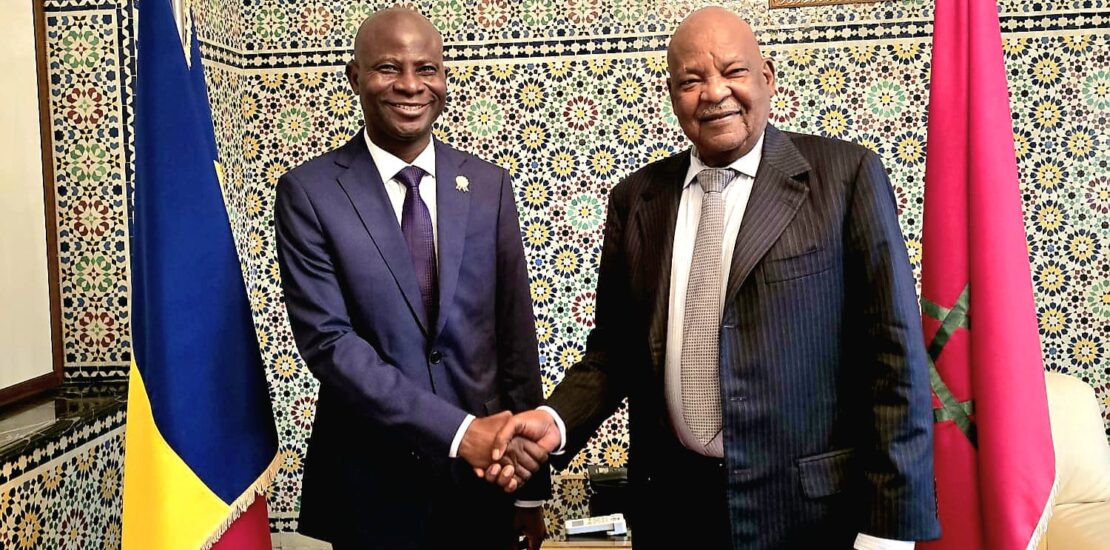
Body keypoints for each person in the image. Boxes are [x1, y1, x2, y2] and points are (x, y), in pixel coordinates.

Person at [489, 7, 940, 549]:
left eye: (733, 71)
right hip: (675, 514)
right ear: (672, 95)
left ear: (767, 77)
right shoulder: (637, 200)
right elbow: (615, 351)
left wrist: (888, 533)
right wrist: (556, 420)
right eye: (691, 80)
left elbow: (894, 360)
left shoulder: (845, 178)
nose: (714, 92)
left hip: (811, 518)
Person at [274, 8, 549, 549]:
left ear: (443, 78)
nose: (409, 85)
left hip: (484, 488)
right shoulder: (310, 193)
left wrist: (530, 491)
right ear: (355, 77)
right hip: (371, 490)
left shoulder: (488, 185)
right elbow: (329, 344)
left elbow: (515, 338)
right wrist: (459, 432)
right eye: (387, 68)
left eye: (426, 68)